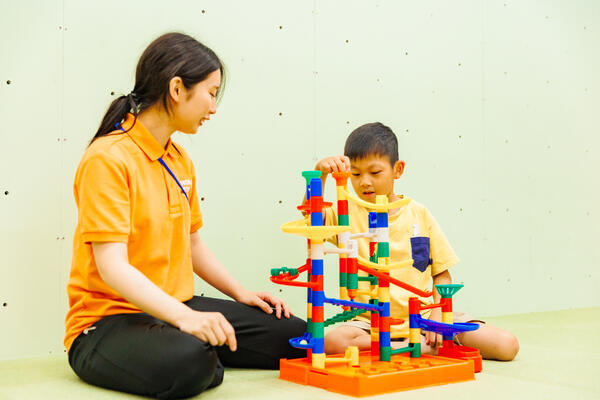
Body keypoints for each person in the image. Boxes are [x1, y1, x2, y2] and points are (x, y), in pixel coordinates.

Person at [64, 32, 305, 399]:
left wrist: (240, 292)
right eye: (211, 92)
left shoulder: (178, 158)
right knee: (192, 362)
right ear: (177, 89)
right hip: (106, 323)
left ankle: (202, 347)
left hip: (174, 307)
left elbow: (192, 243)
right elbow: (112, 266)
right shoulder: (108, 158)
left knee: (294, 334)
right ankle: (200, 351)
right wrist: (186, 319)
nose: (214, 107)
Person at [313, 122, 519, 361]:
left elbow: (441, 274)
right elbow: (310, 217)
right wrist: (321, 174)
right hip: (367, 324)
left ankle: (418, 344)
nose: (364, 182)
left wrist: (438, 314)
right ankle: (419, 347)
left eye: (375, 172)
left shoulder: (419, 214)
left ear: (397, 170)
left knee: (506, 345)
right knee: (332, 341)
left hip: (423, 317)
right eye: (356, 174)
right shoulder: (344, 212)